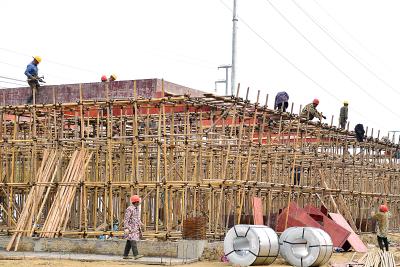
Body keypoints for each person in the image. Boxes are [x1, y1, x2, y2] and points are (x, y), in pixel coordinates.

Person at [123, 195, 143, 260]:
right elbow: (126, 219)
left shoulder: (136, 209)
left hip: (135, 228)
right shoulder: (129, 209)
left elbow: (137, 218)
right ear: (135, 202)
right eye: (138, 202)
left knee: (129, 241)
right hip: (130, 228)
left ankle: (125, 255)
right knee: (133, 240)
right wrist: (126, 227)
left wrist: (140, 223)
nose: (139, 203)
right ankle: (136, 254)